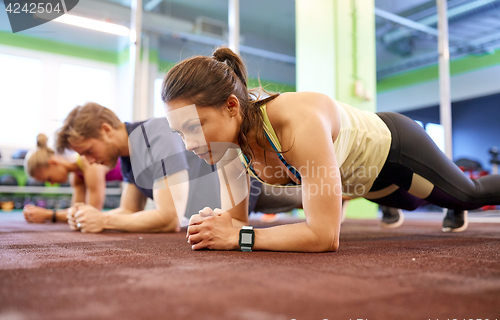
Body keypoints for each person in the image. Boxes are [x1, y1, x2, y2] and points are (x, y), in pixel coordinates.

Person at [162, 47, 500, 252]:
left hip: (395, 148)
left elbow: (323, 236)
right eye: (180, 133)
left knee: (465, 194)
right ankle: (421, 195)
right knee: (413, 200)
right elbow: (236, 222)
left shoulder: (297, 122)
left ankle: (449, 191)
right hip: (363, 182)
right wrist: (214, 225)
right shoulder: (226, 148)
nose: (190, 145)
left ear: (232, 106)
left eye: (195, 127)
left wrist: (242, 238)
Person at [55, 102, 302, 233]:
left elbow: (167, 219)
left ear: (106, 131)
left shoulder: (154, 135)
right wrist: (91, 218)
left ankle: (341, 183)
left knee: (317, 194)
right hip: (223, 201)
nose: (87, 161)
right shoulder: (128, 156)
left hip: (248, 185)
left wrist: (104, 221)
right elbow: (128, 211)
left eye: (88, 151)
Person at [23, 134, 122, 223]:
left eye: (49, 178)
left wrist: (49, 214)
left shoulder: (90, 163)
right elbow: (76, 211)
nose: (52, 183)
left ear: (53, 163)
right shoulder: (76, 176)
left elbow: (93, 212)